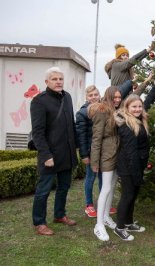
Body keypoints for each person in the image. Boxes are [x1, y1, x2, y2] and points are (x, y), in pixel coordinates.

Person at [30, 67, 78, 236]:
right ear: (46, 82)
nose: (58, 82)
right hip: (50, 156)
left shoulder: (68, 97)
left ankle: (59, 215)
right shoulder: (39, 101)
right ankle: (39, 222)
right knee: (43, 191)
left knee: (64, 187)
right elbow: (37, 133)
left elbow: (71, 125)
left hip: (67, 154)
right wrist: (46, 155)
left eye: (60, 79)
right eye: (54, 79)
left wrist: (77, 147)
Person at [113, 78, 155, 241]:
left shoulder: (139, 118)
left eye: (139, 106)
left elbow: (147, 102)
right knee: (127, 195)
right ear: (127, 108)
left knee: (133, 195)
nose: (138, 109)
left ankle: (128, 222)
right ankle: (119, 227)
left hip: (136, 165)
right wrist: (136, 174)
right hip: (128, 167)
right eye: (134, 106)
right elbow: (130, 153)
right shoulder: (127, 125)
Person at [89, 86, 122, 241]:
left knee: (112, 186)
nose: (117, 100)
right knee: (106, 188)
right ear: (108, 96)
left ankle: (107, 216)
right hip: (106, 154)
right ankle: (99, 225)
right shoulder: (102, 111)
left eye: (119, 97)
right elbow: (96, 139)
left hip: (117, 152)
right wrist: (94, 162)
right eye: (114, 97)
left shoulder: (116, 111)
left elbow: (135, 95)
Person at [76, 85, 103, 218]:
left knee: (103, 178)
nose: (93, 97)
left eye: (95, 94)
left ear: (99, 95)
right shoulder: (82, 113)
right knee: (91, 177)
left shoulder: (104, 109)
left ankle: (103, 203)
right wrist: (84, 154)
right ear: (87, 97)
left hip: (104, 151)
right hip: (90, 152)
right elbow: (81, 136)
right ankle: (89, 205)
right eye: (90, 95)